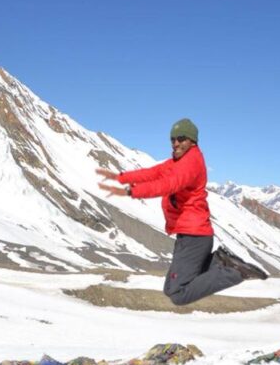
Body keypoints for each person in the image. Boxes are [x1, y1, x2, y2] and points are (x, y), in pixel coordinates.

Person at [97, 118, 267, 306]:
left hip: (194, 236)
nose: (176, 143)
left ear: (192, 140)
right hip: (188, 235)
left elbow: (168, 184)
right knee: (169, 288)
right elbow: (154, 173)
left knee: (177, 293)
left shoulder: (190, 163)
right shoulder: (179, 162)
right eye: (173, 139)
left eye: (181, 138)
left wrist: (131, 191)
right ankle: (220, 262)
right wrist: (121, 178)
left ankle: (234, 272)